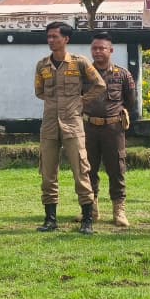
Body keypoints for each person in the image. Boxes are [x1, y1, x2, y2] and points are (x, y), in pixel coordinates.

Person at [34, 21, 105, 235]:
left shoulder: (79, 62)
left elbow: (99, 84)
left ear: (66, 39)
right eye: (49, 37)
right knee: (47, 173)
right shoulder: (42, 65)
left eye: (55, 36)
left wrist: (81, 101)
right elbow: (39, 91)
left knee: (81, 171)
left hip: (73, 124)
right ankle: (50, 219)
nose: (51, 40)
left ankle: (87, 218)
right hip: (49, 125)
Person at [86, 31, 137, 228]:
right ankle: (91, 209)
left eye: (102, 48)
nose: (97, 52)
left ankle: (119, 210)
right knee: (88, 169)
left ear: (111, 50)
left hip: (113, 129)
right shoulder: (85, 73)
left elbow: (130, 101)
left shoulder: (122, 74)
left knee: (117, 169)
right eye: (94, 48)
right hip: (89, 127)